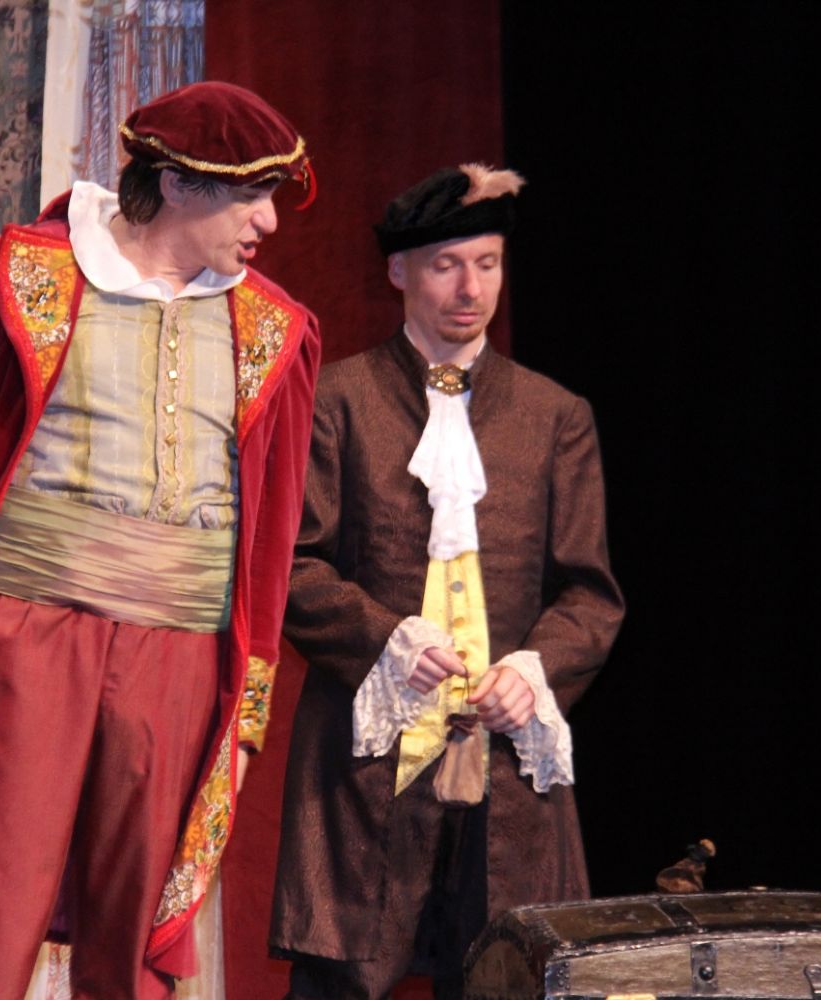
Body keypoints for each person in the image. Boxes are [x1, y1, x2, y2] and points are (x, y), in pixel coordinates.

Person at [0, 81, 320, 1000]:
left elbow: (271, 537)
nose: (268, 220)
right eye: (251, 195)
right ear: (176, 184)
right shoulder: (18, 275)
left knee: (133, 942)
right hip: (20, 634)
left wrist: (244, 710)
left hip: (177, 656)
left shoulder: (275, 331)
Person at [269, 164, 624, 998]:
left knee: (503, 972)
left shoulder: (554, 415)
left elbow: (589, 593)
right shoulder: (337, 401)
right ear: (399, 271)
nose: (470, 288)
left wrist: (533, 671)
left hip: (506, 766)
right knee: (340, 979)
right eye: (446, 265)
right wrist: (386, 639)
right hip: (367, 761)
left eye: (487, 264)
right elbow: (292, 565)